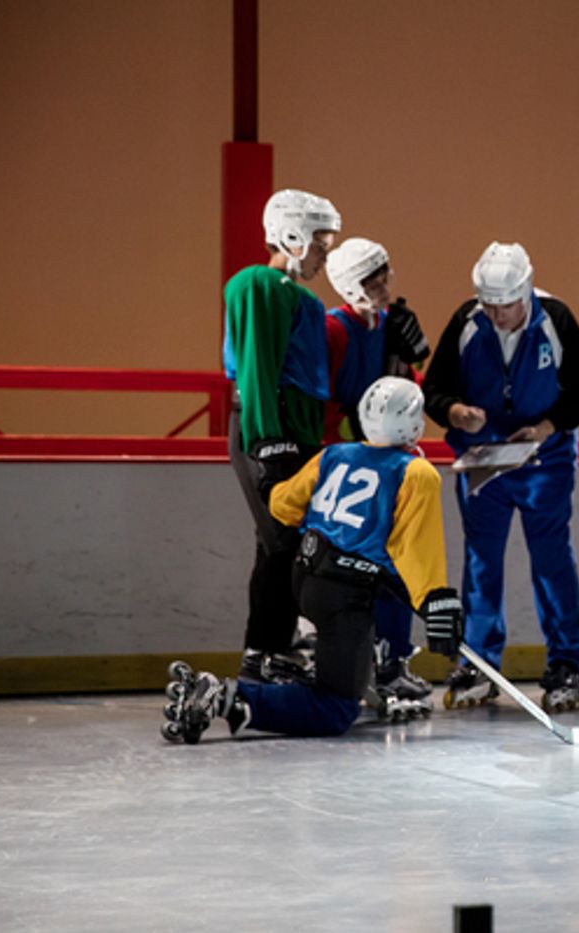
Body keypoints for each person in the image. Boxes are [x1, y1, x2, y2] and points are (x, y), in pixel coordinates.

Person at [160, 377, 464, 742]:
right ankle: (230, 697)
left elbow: (282, 505)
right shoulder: (416, 472)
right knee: (336, 708)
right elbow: (416, 549)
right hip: (345, 597)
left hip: (305, 580)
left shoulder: (334, 455)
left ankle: (355, 671)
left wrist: (273, 477)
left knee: (379, 603)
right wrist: (434, 599)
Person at [422, 242, 579, 713]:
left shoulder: (556, 319)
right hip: (483, 461)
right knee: (481, 561)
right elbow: (435, 387)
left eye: (505, 304)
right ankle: (480, 664)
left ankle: (566, 662)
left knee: (552, 559)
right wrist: (455, 412)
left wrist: (546, 428)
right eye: (489, 304)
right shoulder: (468, 321)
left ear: (525, 292)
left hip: (544, 460)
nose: (497, 314)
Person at [222, 188, 340, 685]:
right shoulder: (258, 284)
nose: (324, 253)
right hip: (269, 428)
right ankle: (265, 649)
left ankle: (282, 640)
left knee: (292, 542)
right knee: (279, 542)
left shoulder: (305, 299)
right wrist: (268, 440)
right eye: (319, 242)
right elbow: (256, 367)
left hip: (300, 429)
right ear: (292, 234)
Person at [324, 237, 433, 719]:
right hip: (347, 463)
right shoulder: (334, 330)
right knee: (350, 564)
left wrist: (413, 364)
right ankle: (340, 655)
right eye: (373, 279)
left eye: (386, 273)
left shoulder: (393, 326)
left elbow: (406, 392)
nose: (386, 285)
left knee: (399, 560)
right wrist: (351, 447)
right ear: (351, 286)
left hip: (388, 462)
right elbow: (324, 402)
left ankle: (392, 657)